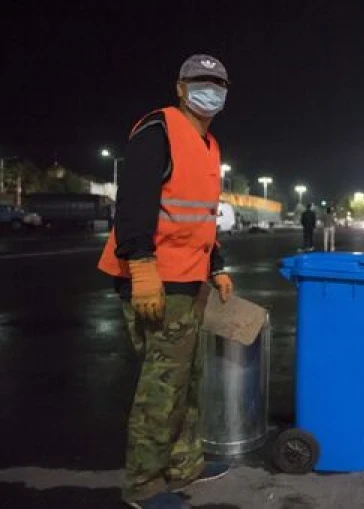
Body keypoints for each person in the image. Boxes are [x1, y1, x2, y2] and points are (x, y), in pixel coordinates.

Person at [97, 54, 234, 509]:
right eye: (200, 81)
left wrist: (217, 266)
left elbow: (200, 218)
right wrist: (141, 267)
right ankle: (144, 483)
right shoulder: (158, 130)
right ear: (180, 87)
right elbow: (134, 203)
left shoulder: (208, 144)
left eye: (217, 83)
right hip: (157, 278)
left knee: (187, 379)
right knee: (162, 386)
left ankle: (183, 464)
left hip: (189, 279)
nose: (209, 89)